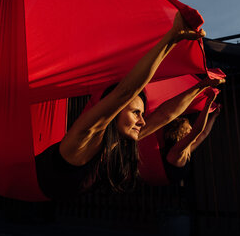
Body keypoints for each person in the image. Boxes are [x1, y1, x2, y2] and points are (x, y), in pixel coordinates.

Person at [35, 12, 225, 199]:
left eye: (141, 114)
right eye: (136, 113)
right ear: (114, 111)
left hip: (48, 196)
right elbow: (125, 92)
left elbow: (165, 116)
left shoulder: (118, 140)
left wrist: (201, 87)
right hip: (28, 182)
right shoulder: (85, 136)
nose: (142, 121)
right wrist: (172, 37)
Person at [161, 91, 222, 183]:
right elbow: (197, 131)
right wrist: (207, 104)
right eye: (189, 130)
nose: (192, 131)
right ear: (181, 133)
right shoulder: (176, 151)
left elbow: (203, 133)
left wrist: (214, 116)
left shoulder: (186, 150)